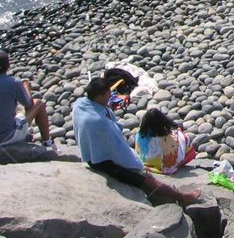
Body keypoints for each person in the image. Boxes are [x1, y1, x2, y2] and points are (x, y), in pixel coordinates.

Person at [72, 77, 200, 205]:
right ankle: (181, 197)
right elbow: (119, 150)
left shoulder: (80, 104)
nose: (110, 96)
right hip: (102, 162)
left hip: (89, 154)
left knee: (145, 178)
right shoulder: (99, 122)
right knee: (148, 180)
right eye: (108, 94)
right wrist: (136, 165)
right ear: (100, 96)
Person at [0, 50, 54, 150]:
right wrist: (26, 88)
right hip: (6, 137)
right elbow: (29, 104)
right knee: (38, 103)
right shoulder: (13, 83)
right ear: (7, 66)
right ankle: (47, 143)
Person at [135, 108, 196, 175]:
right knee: (184, 139)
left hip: (145, 162)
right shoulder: (168, 139)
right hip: (164, 165)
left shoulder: (139, 135)